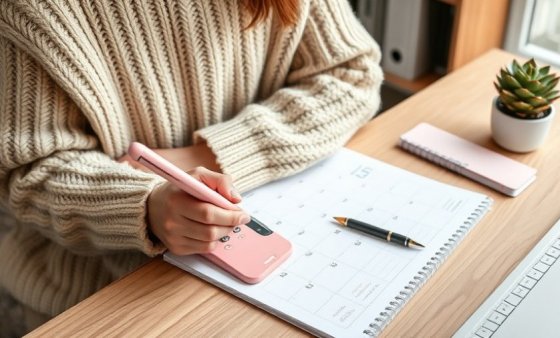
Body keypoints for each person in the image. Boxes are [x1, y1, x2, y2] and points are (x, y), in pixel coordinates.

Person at [0, 0, 382, 332]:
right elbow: (27, 171)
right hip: (103, 292)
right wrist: (146, 208)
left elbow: (351, 73)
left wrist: (209, 156)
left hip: (270, 248)